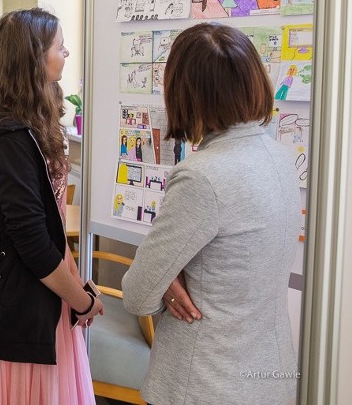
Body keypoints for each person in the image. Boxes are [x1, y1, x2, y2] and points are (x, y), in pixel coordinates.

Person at [122, 23, 300, 405]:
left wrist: (164, 278)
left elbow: (137, 294)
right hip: (270, 374)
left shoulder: (202, 175)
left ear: (185, 93)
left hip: (205, 381)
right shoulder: (278, 158)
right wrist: (168, 278)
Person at [0, 8, 101, 404]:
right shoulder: (9, 136)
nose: (66, 53)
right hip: (23, 292)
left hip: (44, 281)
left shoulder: (26, 122)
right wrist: (81, 300)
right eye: (59, 46)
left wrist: (73, 288)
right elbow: (31, 240)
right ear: (34, 56)